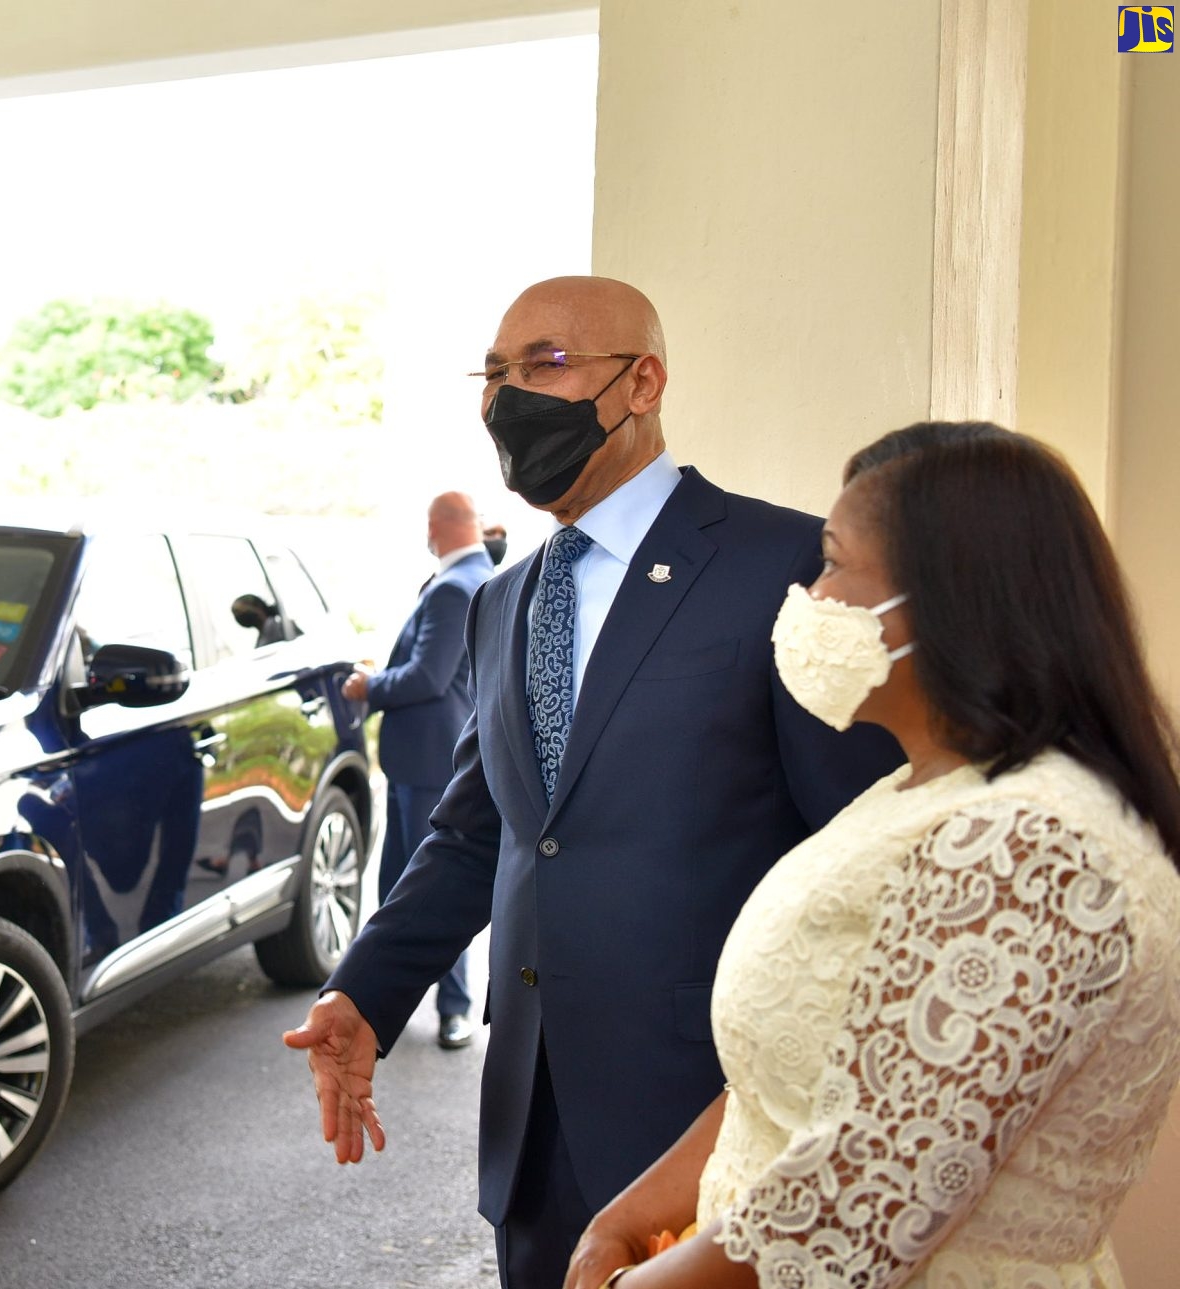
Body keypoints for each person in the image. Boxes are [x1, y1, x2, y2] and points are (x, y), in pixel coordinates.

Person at [284, 276, 902, 1289]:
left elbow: (858, 853)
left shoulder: (781, 562)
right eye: (492, 373)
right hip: (530, 1131)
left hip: (712, 1124)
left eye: (544, 365)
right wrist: (366, 987)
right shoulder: (500, 598)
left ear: (642, 381)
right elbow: (480, 832)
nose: (507, 395)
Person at [562, 422, 1180, 1289]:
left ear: (948, 601)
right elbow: (799, 1076)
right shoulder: (920, 795)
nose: (810, 596)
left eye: (833, 563)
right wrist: (630, 1215)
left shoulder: (1029, 849)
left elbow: (859, 1201)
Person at [341, 491, 494, 1049]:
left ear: (436, 528)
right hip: (417, 760)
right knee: (398, 886)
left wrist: (368, 686)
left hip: (431, 762)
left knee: (431, 886)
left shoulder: (456, 585)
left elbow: (429, 678)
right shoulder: (471, 574)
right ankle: (378, 1001)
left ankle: (454, 1009)